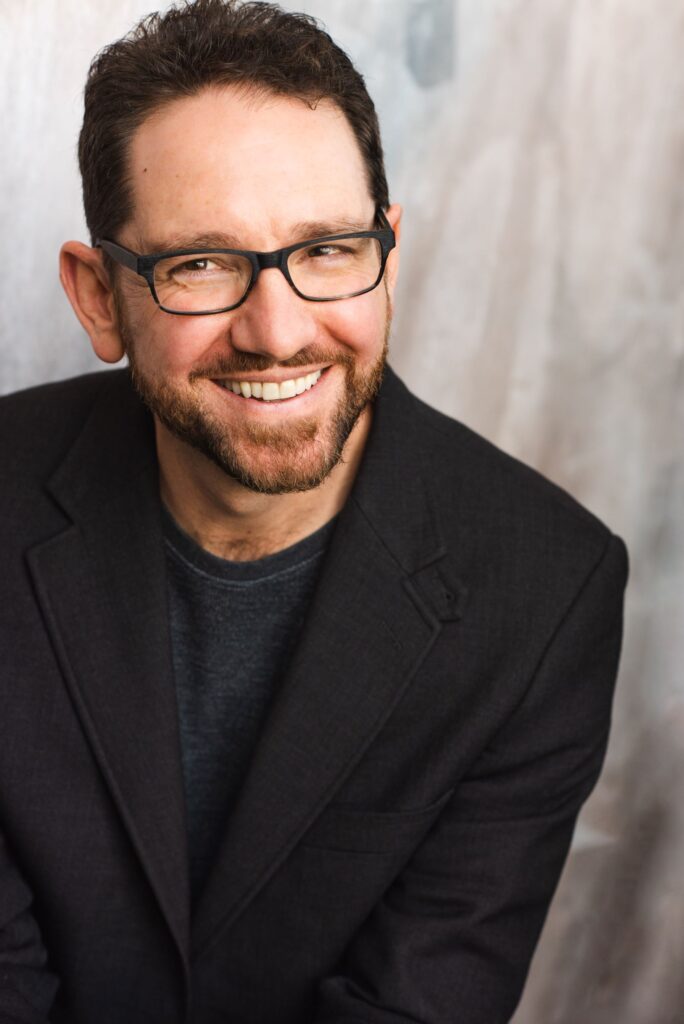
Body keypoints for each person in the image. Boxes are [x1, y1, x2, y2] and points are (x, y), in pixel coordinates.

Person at [0, 2, 628, 1022]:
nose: (278, 331)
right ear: (99, 297)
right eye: (200, 263)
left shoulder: (546, 593)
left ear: (387, 249)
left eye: (328, 248)